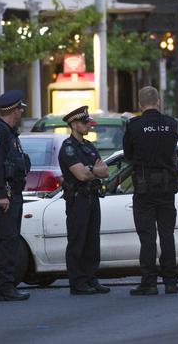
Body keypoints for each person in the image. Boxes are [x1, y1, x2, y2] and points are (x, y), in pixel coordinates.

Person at [123, 86, 178, 295]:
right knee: (167, 235)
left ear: (140, 104)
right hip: (167, 187)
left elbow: (128, 154)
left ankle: (149, 282)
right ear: (158, 101)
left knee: (147, 237)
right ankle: (171, 282)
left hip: (145, 187)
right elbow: (172, 149)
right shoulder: (171, 124)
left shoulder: (134, 126)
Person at [0, 90, 31, 301]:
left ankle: (8, 285)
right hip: (6, 195)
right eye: (20, 108)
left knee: (11, 239)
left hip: (14, 193)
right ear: (13, 110)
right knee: (6, 240)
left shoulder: (9, 132)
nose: (21, 112)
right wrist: (2, 194)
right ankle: (4, 287)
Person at [58, 106, 110, 295]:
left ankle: (91, 278)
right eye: (85, 123)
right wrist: (93, 170)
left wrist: (92, 170)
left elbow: (105, 171)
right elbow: (80, 175)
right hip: (77, 199)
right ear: (74, 125)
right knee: (77, 240)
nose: (88, 126)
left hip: (92, 197)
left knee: (92, 240)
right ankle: (77, 282)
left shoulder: (88, 146)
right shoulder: (68, 148)